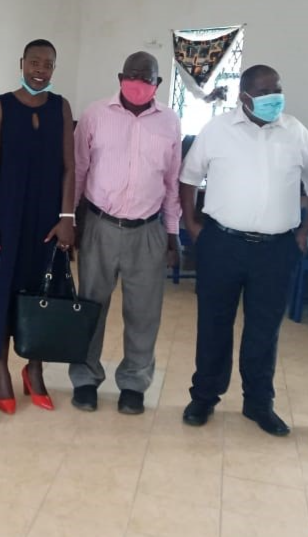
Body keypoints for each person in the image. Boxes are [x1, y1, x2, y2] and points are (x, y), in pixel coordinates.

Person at [181, 64, 308, 436]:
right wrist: (193, 226)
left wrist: (304, 232)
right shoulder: (217, 131)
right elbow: (189, 178)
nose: (275, 99)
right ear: (244, 97)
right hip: (222, 244)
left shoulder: (296, 132)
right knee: (213, 325)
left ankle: (259, 404)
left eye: (278, 90)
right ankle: (204, 397)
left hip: (276, 250)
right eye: (265, 94)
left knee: (264, 330)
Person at [71, 51, 181, 415]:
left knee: (144, 312)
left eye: (146, 78)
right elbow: (79, 170)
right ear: (120, 77)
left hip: (147, 230)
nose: (138, 83)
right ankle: (85, 378)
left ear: (158, 84)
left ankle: (134, 382)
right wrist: (69, 219)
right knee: (91, 306)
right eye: (132, 75)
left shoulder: (169, 122)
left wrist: (172, 232)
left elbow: (171, 183)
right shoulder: (95, 115)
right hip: (99, 226)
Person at [0, 39, 75, 414]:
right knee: (2, 292)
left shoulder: (60, 108)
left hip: (48, 220)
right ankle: (1, 369)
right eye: (34, 62)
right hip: (8, 218)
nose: (40, 69)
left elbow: (69, 167)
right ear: (21, 63)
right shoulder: (2, 105)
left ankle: (34, 369)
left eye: (48, 64)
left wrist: (67, 218)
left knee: (42, 294)